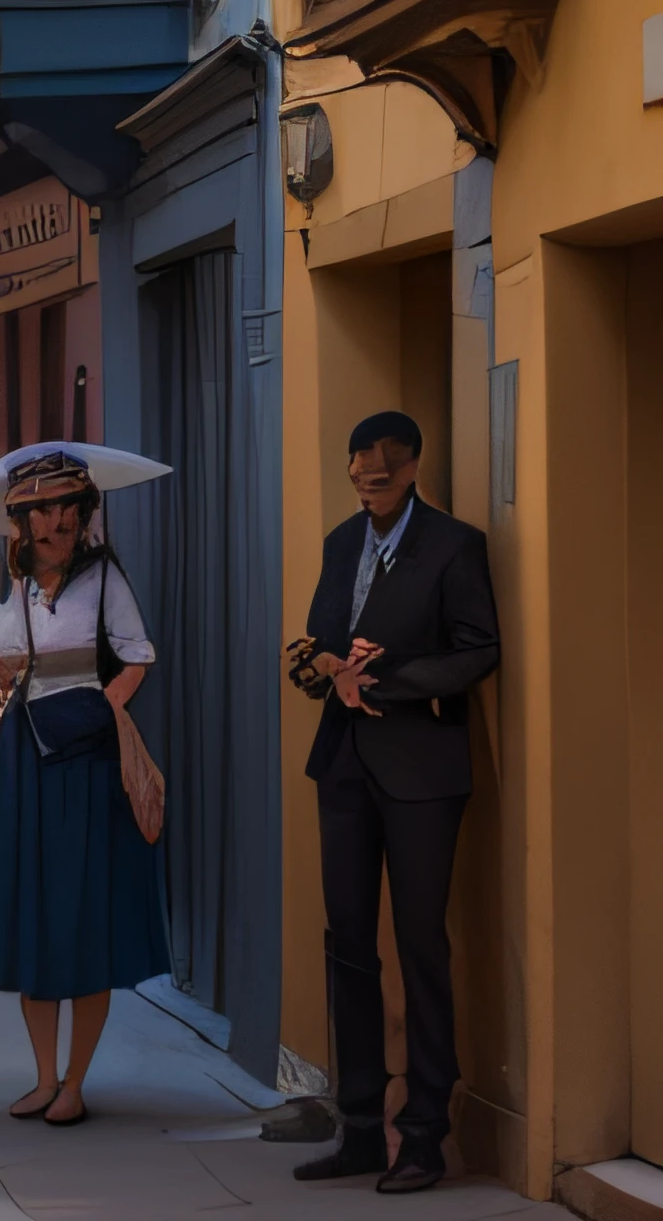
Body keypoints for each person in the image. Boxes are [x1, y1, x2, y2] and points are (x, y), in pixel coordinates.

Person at [290, 412, 498, 1194]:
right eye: (357, 476)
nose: (366, 488)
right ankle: (358, 1127)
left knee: (420, 946)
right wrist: (323, 669)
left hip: (422, 772)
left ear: (411, 469)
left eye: (380, 477)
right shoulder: (342, 543)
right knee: (347, 946)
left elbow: (479, 648)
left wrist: (386, 678)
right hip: (342, 765)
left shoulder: (454, 545)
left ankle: (424, 1136)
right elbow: (314, 641)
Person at [0, 452, 167, 1128]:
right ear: (19, 521)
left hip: (88, 760)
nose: (56, 521)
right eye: (40, 510)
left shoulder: (104, 579)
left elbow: (138, 655)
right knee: (33, 913)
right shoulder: (13, 587)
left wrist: (104, 710)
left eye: (67, 508)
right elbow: (7, 666)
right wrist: (5, 676)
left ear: (84, 514)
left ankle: (75, 1082)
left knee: (82, 915)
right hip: (22, 760)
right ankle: (42, 1077)